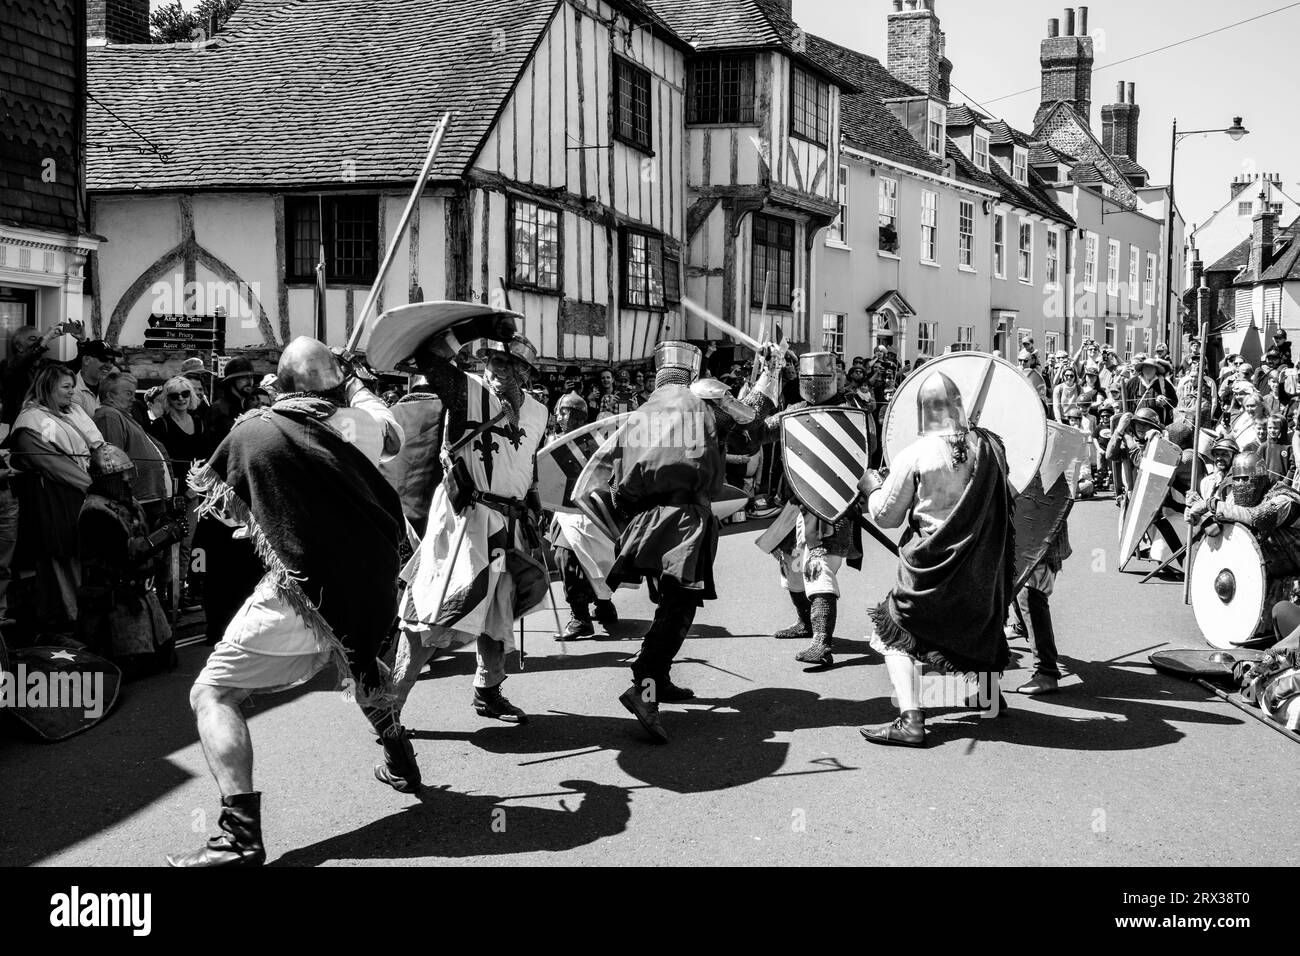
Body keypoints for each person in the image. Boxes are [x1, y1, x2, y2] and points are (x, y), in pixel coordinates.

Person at [170, 337, 413, 867]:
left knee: (211, 694)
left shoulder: (253, 432)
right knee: (361, 664)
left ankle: (238, 836)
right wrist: (354, 383)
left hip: (304, 588)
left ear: (277, 387)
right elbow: (388, 428)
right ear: (338, 386)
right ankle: (401, 759)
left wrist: (268, 521)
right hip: (369, 583)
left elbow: (226, 506)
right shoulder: (358, 424)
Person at [586, 341, 779, 743]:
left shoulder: (639, 414)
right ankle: (646, 689)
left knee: (669, 603)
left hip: (645, 523)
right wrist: (770, 371)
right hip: (684, 526)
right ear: (691, 373)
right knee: (679, 608)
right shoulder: (703, 402)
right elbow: (751, 430)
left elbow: (620, 487)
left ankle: (661, 680)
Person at [396, 326, 550, 729]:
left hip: (509, 526)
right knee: (431, 613)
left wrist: (534, 508)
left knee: (498, 609)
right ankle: (389, 705)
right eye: (493, 360)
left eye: (508, 363)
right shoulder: (467, 392)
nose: (497, 369)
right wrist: (469, 328)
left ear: (526, 372)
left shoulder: (539, 411)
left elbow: (527, 463)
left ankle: (488, 689)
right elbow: (429, 358)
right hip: (465, 523)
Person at [856, 371, 1016, 747]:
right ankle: (988, 694)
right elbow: (1008, 494)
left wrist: (871, 486)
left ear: (922, 411)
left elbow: (887, 516)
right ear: (958, 405)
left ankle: (911, 720)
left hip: (931, 565)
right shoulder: (991, 447)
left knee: (893, 629)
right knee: (981, 622)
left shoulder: (915, 454)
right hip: (982, 562)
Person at [758, 352, 864, 668]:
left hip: (830, 507)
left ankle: (822, 642)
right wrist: (767, 378)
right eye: (810, 381)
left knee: (818, 569)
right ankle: (806, 623)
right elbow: (756, 433)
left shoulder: (849, 413)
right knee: (790, 571)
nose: (815, 386)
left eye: (820, 380)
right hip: (796, 504)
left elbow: (861, 456)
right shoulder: (794, 412)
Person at [7, 364, 106, 636]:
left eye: (72, 386)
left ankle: (78, 617)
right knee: (59, 555)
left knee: (76, 555)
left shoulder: (70, 412)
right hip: (52, 498)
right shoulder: (31, 421)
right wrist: (92, 486)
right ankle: (68, 620)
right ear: (47, 387)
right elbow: (52, 464)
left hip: (76, 496)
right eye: (65, 387)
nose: (72, 392)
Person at [77, 444, 183, 677]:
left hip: (144, 597)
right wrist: (165, 535)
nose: (127, 480)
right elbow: (126, 555)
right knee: (135, 666)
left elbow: (143, 533)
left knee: (166, 659)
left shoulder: (129, 502)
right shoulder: (94, 511)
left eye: (128, 473)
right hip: (118, 602)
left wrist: (167, 521)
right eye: (120, 475)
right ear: (106, 479)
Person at [1187, 451, 1300, 645]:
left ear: (1261, 479)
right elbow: (1221, 526)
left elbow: (1259, 517)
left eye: (1245, 479)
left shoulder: (1284, 499)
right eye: (1236, 479)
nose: (1240, 485)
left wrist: (1209, 504)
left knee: (1285, 616)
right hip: (1268, 572)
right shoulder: (1235, 499)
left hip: (1294, 574)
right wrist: (1201, 518)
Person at [547, 391, 618, 639]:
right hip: (564, 513)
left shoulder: (595, 443)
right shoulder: (551, 443)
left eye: (564, 411)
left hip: (591, 513)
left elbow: (611, 477)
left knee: (601, 561)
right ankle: (580, 618)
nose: (559, 416)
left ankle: (603, 603)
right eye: (558, 411)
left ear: (578, 415)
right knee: (565, 558)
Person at [149, 375, 212, 609]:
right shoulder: (160, 425)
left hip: (194, 492)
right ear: (167, 398)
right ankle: (162, 594)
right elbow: (158, 462)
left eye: (185, 394)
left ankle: (180, 589)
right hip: (169, 494)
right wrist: (178, 490)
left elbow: (208, 458)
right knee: (166, 546)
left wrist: (195, 488)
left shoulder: (201, 422)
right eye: (174, 395)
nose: (181, 399)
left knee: (186, 544)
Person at [1009, 520, 1072, 695]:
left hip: (1040, 538)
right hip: (1023, 534)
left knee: (1030, 594)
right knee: (1015, 580)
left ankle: (1047, 672)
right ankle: (1021, 626)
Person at [1, 325, 64, 425]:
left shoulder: (45, 364)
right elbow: (23, 363)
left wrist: (82, 342)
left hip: (43, 422)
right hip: (17, 425)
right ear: (19, 347)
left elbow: (73, 367)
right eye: (33, 339)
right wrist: (45, 340)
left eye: (40, 339)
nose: (39, 342)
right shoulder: (7, 366)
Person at [71, 339, 123, 416]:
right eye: (103, 359)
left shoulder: (109, 387)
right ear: (86, 360)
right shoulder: (72, 390)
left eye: (112, 360)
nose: (109, 365)